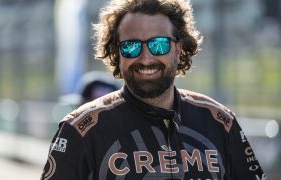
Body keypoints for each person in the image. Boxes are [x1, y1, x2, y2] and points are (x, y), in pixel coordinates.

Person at [41, 0, 266, 179]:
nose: (146, 58)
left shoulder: (220, 122)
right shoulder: (82, 129)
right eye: (131, 46)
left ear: (178, 49)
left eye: (159, 44)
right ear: (116, 52)